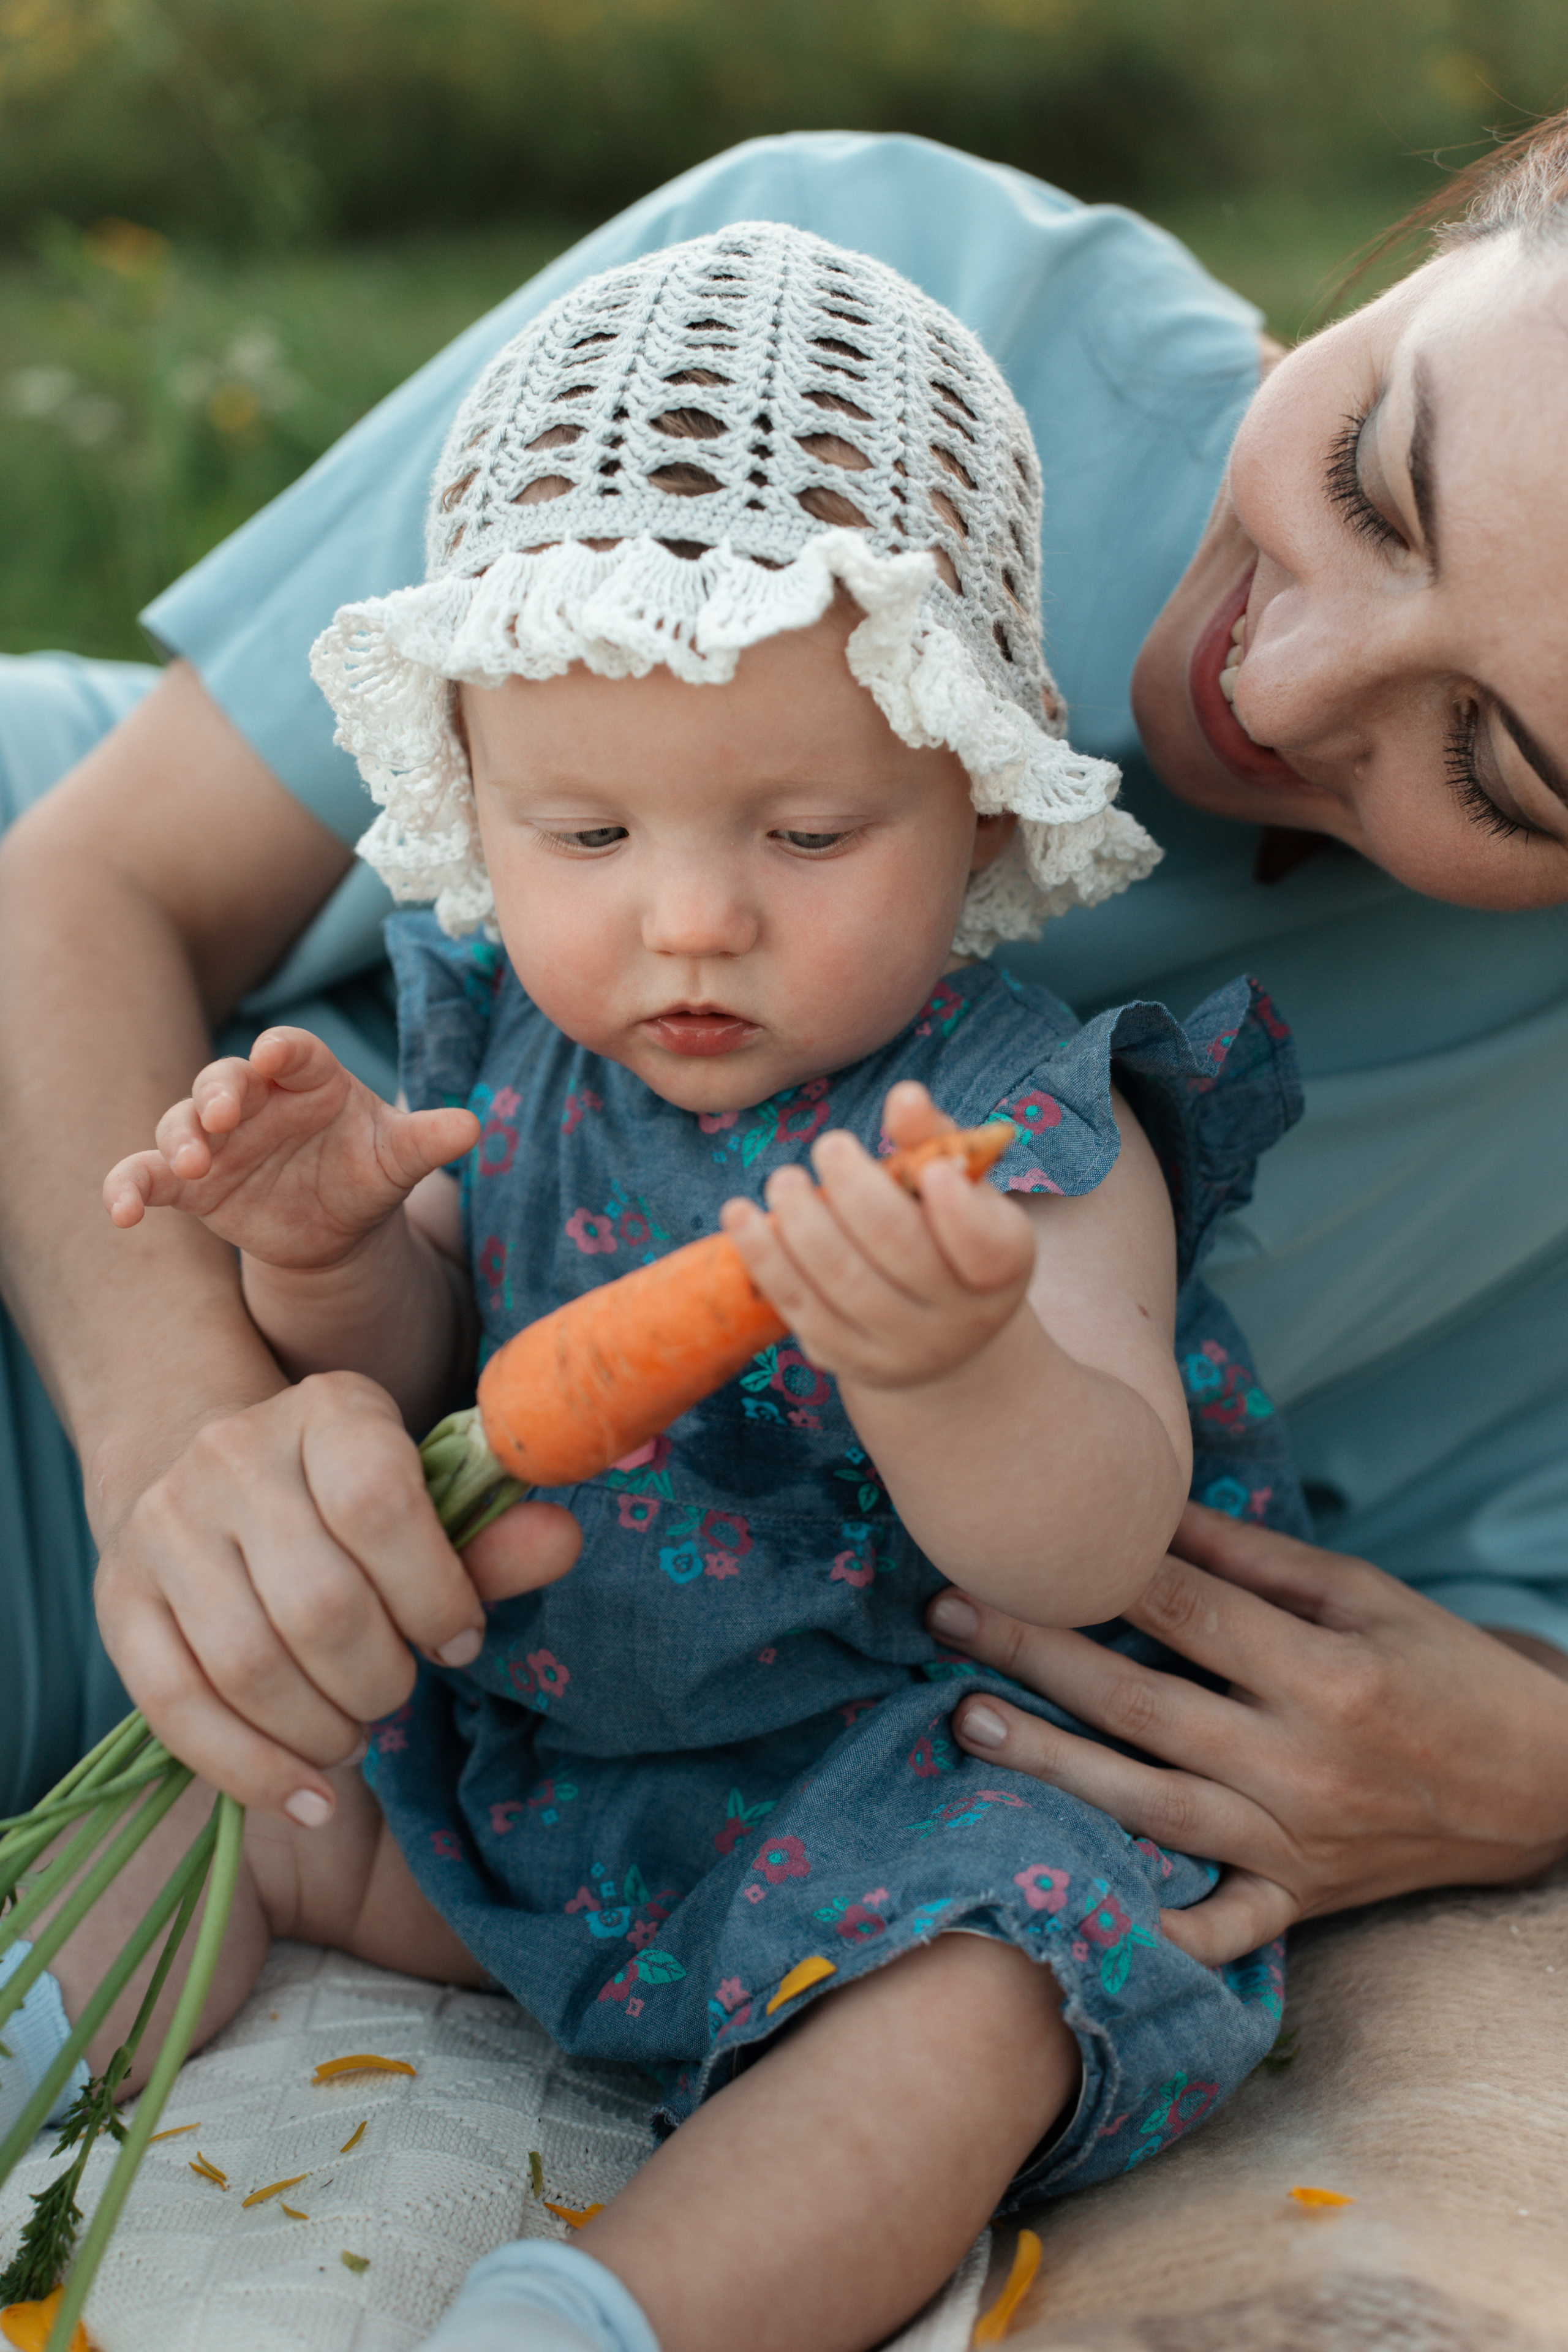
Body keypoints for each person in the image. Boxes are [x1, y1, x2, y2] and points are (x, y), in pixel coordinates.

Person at [1, 124, 1567, 2020]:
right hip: (101, 1159)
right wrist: (176, 1438)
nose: (1282, 685)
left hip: (423, 1694)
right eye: (1370, 481)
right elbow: (82, 887)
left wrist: (1535, 1772)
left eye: (1497, 760)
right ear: (1460, 230)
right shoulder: (847, 313)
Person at [37, 225, 1303, 2352]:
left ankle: (594, 2317)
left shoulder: (1014, 1126)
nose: (691, 921)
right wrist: (331, 1254)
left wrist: (952, 1362)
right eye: (590, 837)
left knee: (997, 1990)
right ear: (474, 803)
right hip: (526, 1763)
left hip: (879, 1801)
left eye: (806, 836)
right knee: (246, 1783)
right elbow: (441, 1387)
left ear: (979, 813)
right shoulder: (514, 1050)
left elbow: (1087, 1543)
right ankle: (31, 2046)